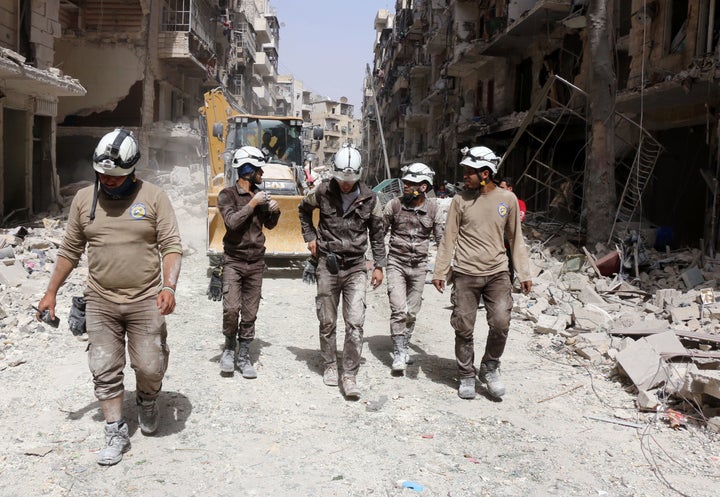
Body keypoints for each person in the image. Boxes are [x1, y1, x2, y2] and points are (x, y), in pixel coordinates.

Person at [36, 129, 183, 465]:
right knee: (103, 365)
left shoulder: (155, 198)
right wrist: (50, 292)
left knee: (150, 364)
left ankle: (147, 399)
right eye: (102, 175)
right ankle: (115, 429)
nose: (109, 181)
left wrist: (169, 286)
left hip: (146, 298)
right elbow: (70, 250)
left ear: (133, 170)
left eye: (116, 176)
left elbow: (171, 247)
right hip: (100, 299)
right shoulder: (84, 200)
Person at [431, 146, 532, 400]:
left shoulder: (507, 200)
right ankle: (466, 374)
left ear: (485, 173)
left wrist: (523, 272)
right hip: (465, 273)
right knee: (463, 326)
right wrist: (440, 270)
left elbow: (515, 238)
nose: (465, 176)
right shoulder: (459, 201)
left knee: (501, 322)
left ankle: (490, 365)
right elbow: (449, 238)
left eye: (469, 172)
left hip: (497, 272)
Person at [298, 144, 386, 399]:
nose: (346, 185)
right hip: (328, 263)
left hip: (356, 266)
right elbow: (303, 210)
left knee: (355, 323)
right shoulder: (323, 191)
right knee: (327, 320)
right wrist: (310, 237)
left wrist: (379, 264)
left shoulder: (370, 198)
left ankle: (349, 374)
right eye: (342, 180)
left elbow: (377, 233)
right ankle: (329, 365)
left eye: (351, 181)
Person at [216, 146, 280, 378]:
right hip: (233, 261)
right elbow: (232, 222)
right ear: (247, 169)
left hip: (255, 264)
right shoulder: (227, 195)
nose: (261, 173)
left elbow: (269, 225)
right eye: (258, 169)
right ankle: (228, 349)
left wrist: (275, 211)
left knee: (250, 312)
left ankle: (243, 356)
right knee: (232, 309)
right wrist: (252, 204)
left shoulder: (260, 195)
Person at [383, 163, 444, 373]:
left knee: (412, 311)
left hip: (419, 266)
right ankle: (399, 352)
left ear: (424, 187)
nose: (406, 187)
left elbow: (441, 240)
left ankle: (406, 344)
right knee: (398, 309)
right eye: (405, 182)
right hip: (396, 264)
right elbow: (378, 234)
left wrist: (441, 271)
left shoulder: (434, 209)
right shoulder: (393, 205)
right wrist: (374, 263)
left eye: (411, 184)